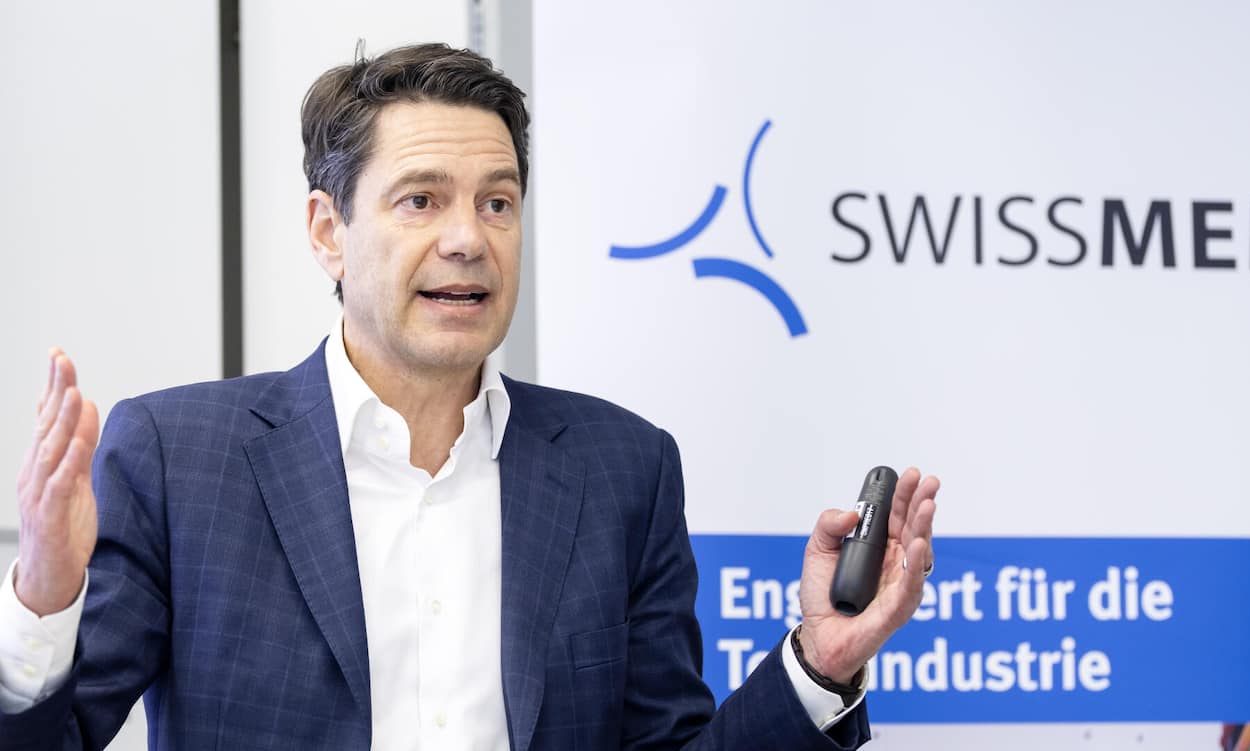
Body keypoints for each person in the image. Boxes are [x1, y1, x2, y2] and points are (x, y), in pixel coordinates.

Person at [0, 44, 939, 750]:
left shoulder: (622, 469)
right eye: (421, 200)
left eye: (497, 202)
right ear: (328, 231)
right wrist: (43, 595)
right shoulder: (179, 456)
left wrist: (818, 665)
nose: (468, 239)